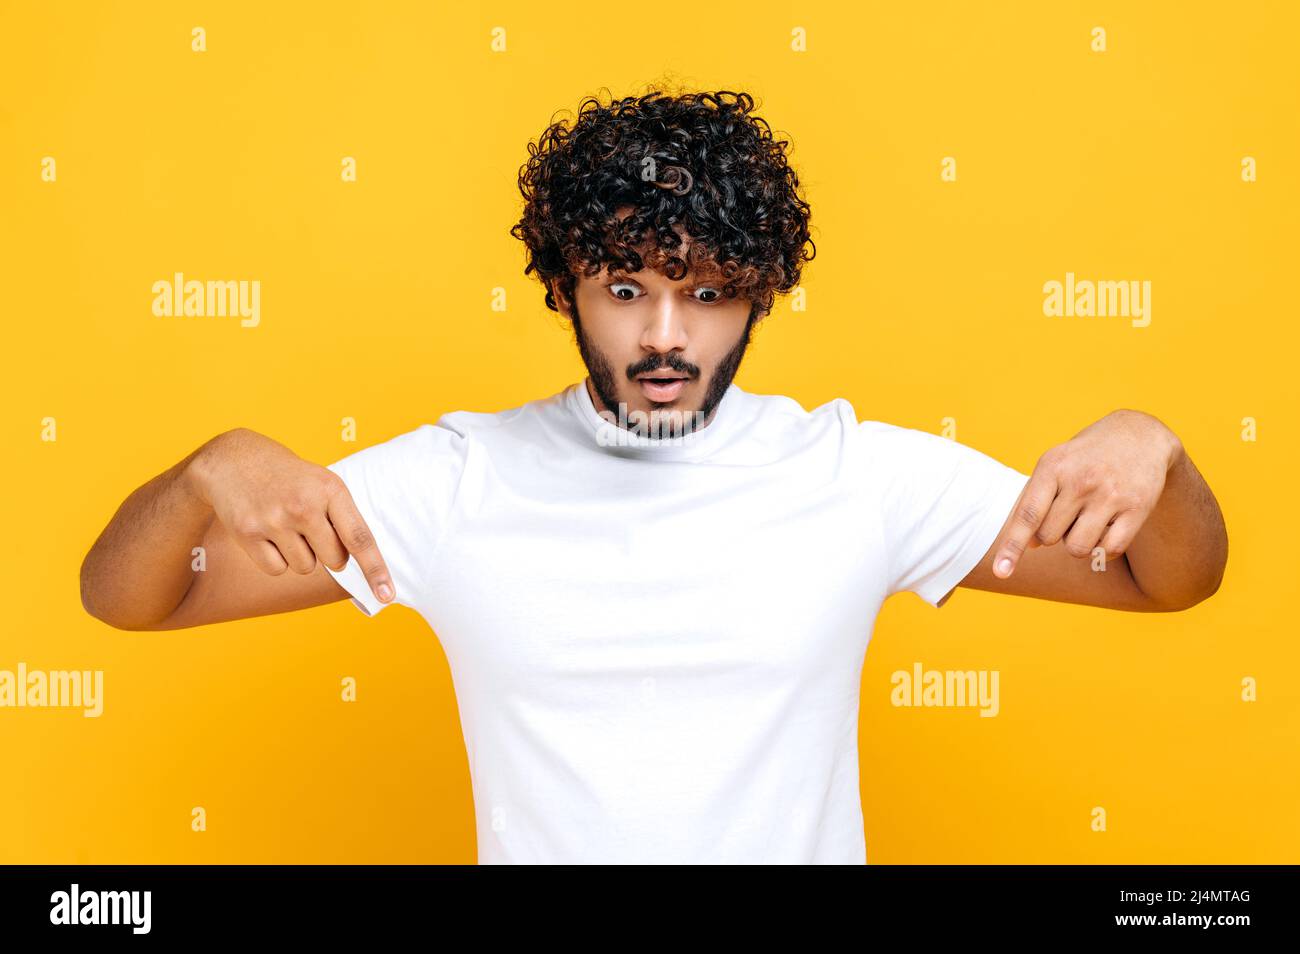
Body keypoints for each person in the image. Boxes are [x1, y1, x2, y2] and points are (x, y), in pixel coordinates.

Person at [80, 88, 1228, 864]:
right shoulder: (457, 481)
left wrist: (1155, 450)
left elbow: (1163, 581)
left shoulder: (857, 476)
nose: (665, 338)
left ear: (759, 293)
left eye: (709, 290)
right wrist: (206, 470)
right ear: (565, 285)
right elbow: (131, 598)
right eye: (625, 289)